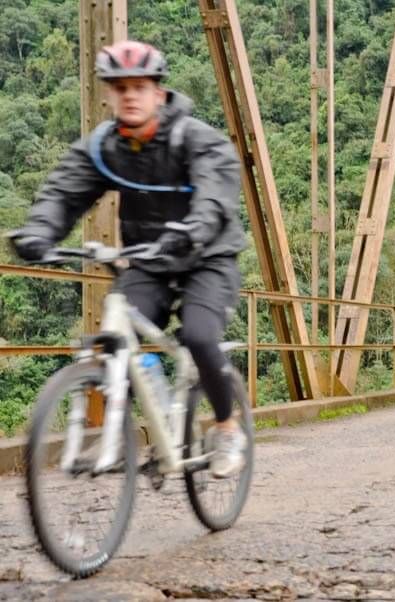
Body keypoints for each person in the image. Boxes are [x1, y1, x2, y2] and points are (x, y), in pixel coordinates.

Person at [8, 41, 247, 478]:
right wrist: (40, 232)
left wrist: (192, 231)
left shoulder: (196, 140)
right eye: (120, 87)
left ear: (160, 92)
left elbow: (215, 197)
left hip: (206, 257)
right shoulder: (104, 149)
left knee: (197, 334)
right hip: (148, 260)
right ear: (110, 95)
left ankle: (228, 427)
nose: (130, 95)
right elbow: (63, 192)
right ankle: (144, 429)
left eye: (140, 86)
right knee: (116, 336)